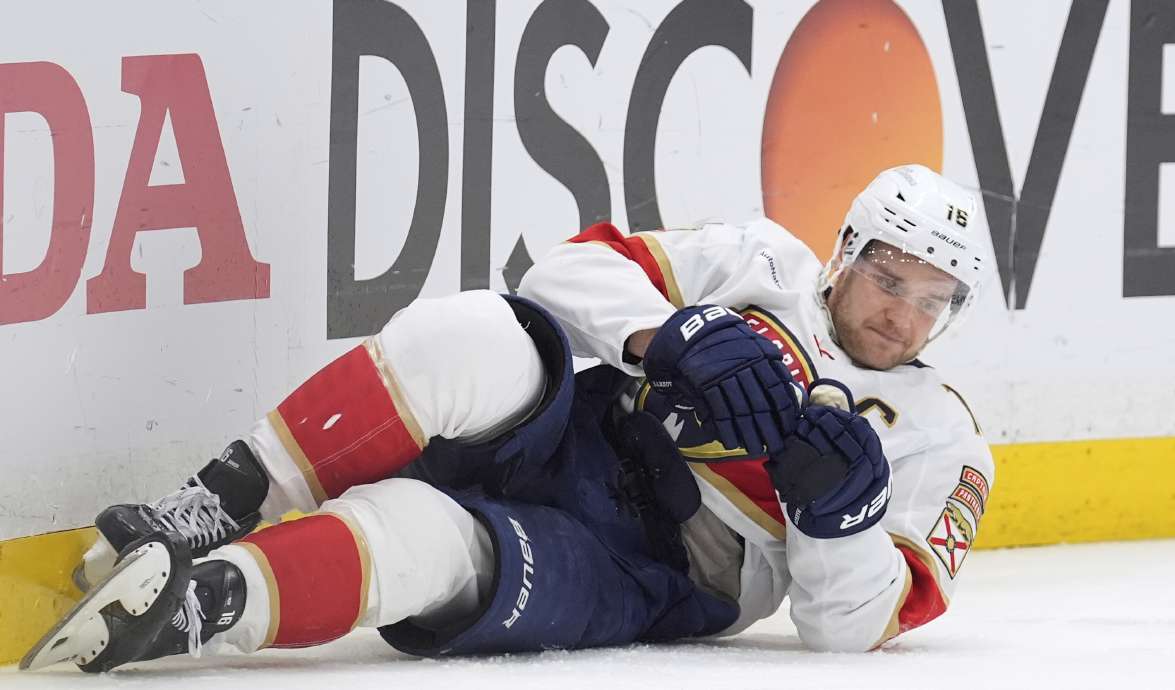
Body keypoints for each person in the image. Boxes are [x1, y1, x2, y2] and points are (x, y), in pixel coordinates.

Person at [21, 164, 994, 673]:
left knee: (428, 550)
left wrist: (840, 522)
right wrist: (666, 334)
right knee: (474, 333)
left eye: (932, 299)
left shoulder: (943, 439)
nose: (901, 314)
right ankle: (207, 506)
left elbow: (846, 632)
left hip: (652, 568)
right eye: (886, 275)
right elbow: (559, 272)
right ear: (845, 251)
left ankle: (196, 610)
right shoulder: (760, 261)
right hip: (583, 428)